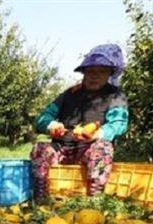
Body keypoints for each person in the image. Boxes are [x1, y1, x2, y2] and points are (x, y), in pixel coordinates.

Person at [31, 44, 128, 201]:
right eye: (90, 71)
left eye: (101, 72)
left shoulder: (115, 95)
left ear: (109, 74)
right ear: (84, 72)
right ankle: (40, 196)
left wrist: (99, 134)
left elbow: (119, 123)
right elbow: (43, 117)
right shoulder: (69, 94)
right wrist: (51, 126)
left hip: (88, 151)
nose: (94, 76)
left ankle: (94, 197)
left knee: (103, 147)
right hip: (61, 148)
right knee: (40, 148)